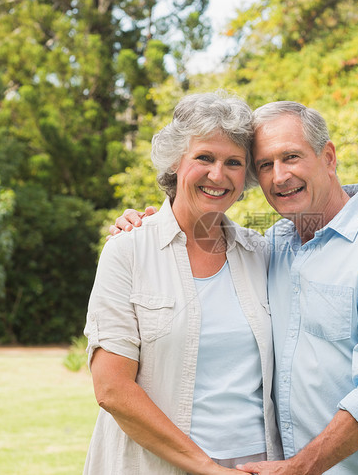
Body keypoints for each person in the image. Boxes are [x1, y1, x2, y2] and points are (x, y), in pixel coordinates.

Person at [112, 100, 358, 474]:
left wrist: (300, 467)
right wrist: (145, 226)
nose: (279, 176)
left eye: (292, 157)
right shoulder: (270, 247)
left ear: (329, 157)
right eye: (265, 165)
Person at [83, 91, 282, 475]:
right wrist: (206, 467)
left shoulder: (262, 252)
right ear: (176, 162)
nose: (217, 175)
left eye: (234, 162)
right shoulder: (129, 250)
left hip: (257, 465)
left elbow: (310, 336)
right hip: (157, 466)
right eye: (204, 157)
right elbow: (111, 389)